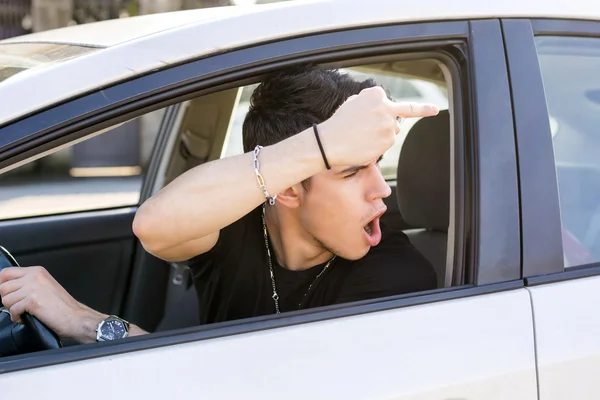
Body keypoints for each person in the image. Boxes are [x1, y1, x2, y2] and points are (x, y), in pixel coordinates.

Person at [0, 65, 439, 344]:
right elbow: (152, 225)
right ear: (287, 187)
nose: (382, 189)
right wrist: (325, 145)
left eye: (376, 165)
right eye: (352, 171)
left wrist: (81, 321)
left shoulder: (397, 278)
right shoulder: (237, 223)